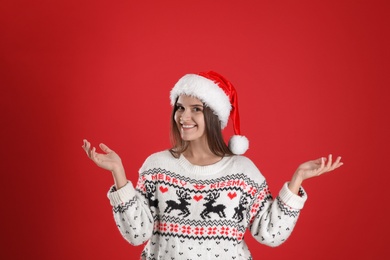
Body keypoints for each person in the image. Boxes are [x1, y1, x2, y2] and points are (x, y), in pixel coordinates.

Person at [82, 71, 343, 260]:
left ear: (214, 116)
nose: (184, 116)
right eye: (180, 107)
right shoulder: (157, 167)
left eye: (196, 109)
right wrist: (118, 173)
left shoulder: (243, 172)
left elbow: (270, 234)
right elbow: (136, 234)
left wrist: (297, 180)